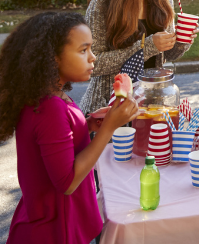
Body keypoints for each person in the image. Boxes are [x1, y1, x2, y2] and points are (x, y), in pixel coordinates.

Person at [2, 12, 139, 243]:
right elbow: (67, 181)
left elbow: (54, 145)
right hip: (54, 231)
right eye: (83, 50)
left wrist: (88, 126)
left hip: (56, 223)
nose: (93, 57)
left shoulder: (50, 96)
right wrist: (108, 130)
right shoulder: (49, 108)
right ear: (52, 57)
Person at [80, 0, 197, 114]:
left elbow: (168, 55)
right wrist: (147, 46)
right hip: (108, 109)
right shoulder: (101, 5)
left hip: (150, 106)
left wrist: (182, 40)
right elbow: (93, 64)